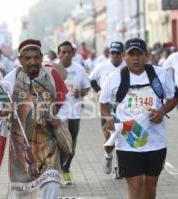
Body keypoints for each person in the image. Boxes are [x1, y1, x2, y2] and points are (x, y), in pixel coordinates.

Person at [0, 39, 71, 199]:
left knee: (51, 184)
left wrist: (59, 118)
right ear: (20, 60)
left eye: (36, 57)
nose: (32, 62)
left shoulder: (52, 75)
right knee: (24, 193)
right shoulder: (10, 80)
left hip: (48, 142)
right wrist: (3, 111)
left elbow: (67, 100)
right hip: (21, 147)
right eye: (27, 58)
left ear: (41, 57)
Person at [99, 38, 178, 199]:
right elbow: (103, 102)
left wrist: (161, 111)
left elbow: (173, 98)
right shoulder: (114, 78)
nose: (136, 58)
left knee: (150, 190)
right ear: (123, 56)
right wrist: (109, 118)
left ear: (147, 56)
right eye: (131, 54)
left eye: (139, 54)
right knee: (135, 189)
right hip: (128, 142)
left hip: (155, 142)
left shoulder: (160, 75)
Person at [89, 41, 126, 176]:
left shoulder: (127, 67)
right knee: (108, 135)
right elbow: (91, 79)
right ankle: (108, 156)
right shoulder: (102, 66)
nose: (115, 55)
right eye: (113, 52)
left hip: (122, 105)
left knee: (122, 137)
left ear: (123, 53)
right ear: (110, 53)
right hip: (106, 105)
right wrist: (98, 90)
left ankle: (119, 167)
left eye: (118, 53)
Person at [57, 41, 90, 185]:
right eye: (63, 52)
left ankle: (66, 168)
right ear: (58, 54)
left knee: (71, 145)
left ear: (73, 53)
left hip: (74, 113)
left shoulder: (79, 69)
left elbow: (87, 88)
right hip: (57, 114)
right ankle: (55, 172)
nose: (66, 55)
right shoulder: (52, 69)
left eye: (69, 52)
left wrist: (81, 93)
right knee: (58, 144)